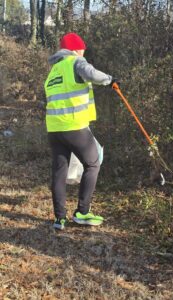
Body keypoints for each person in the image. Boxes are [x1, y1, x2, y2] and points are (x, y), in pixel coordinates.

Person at [44, 32, 119, 230]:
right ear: (75, 49)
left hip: (54, 129)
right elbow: (92, 74)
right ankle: (82, 212)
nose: (83, 52)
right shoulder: (75, 62)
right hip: (74, 126)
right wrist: (110, 80)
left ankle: (59, 219)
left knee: (59, 172)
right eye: (82, 49)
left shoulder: (53, 71)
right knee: (93, 163)